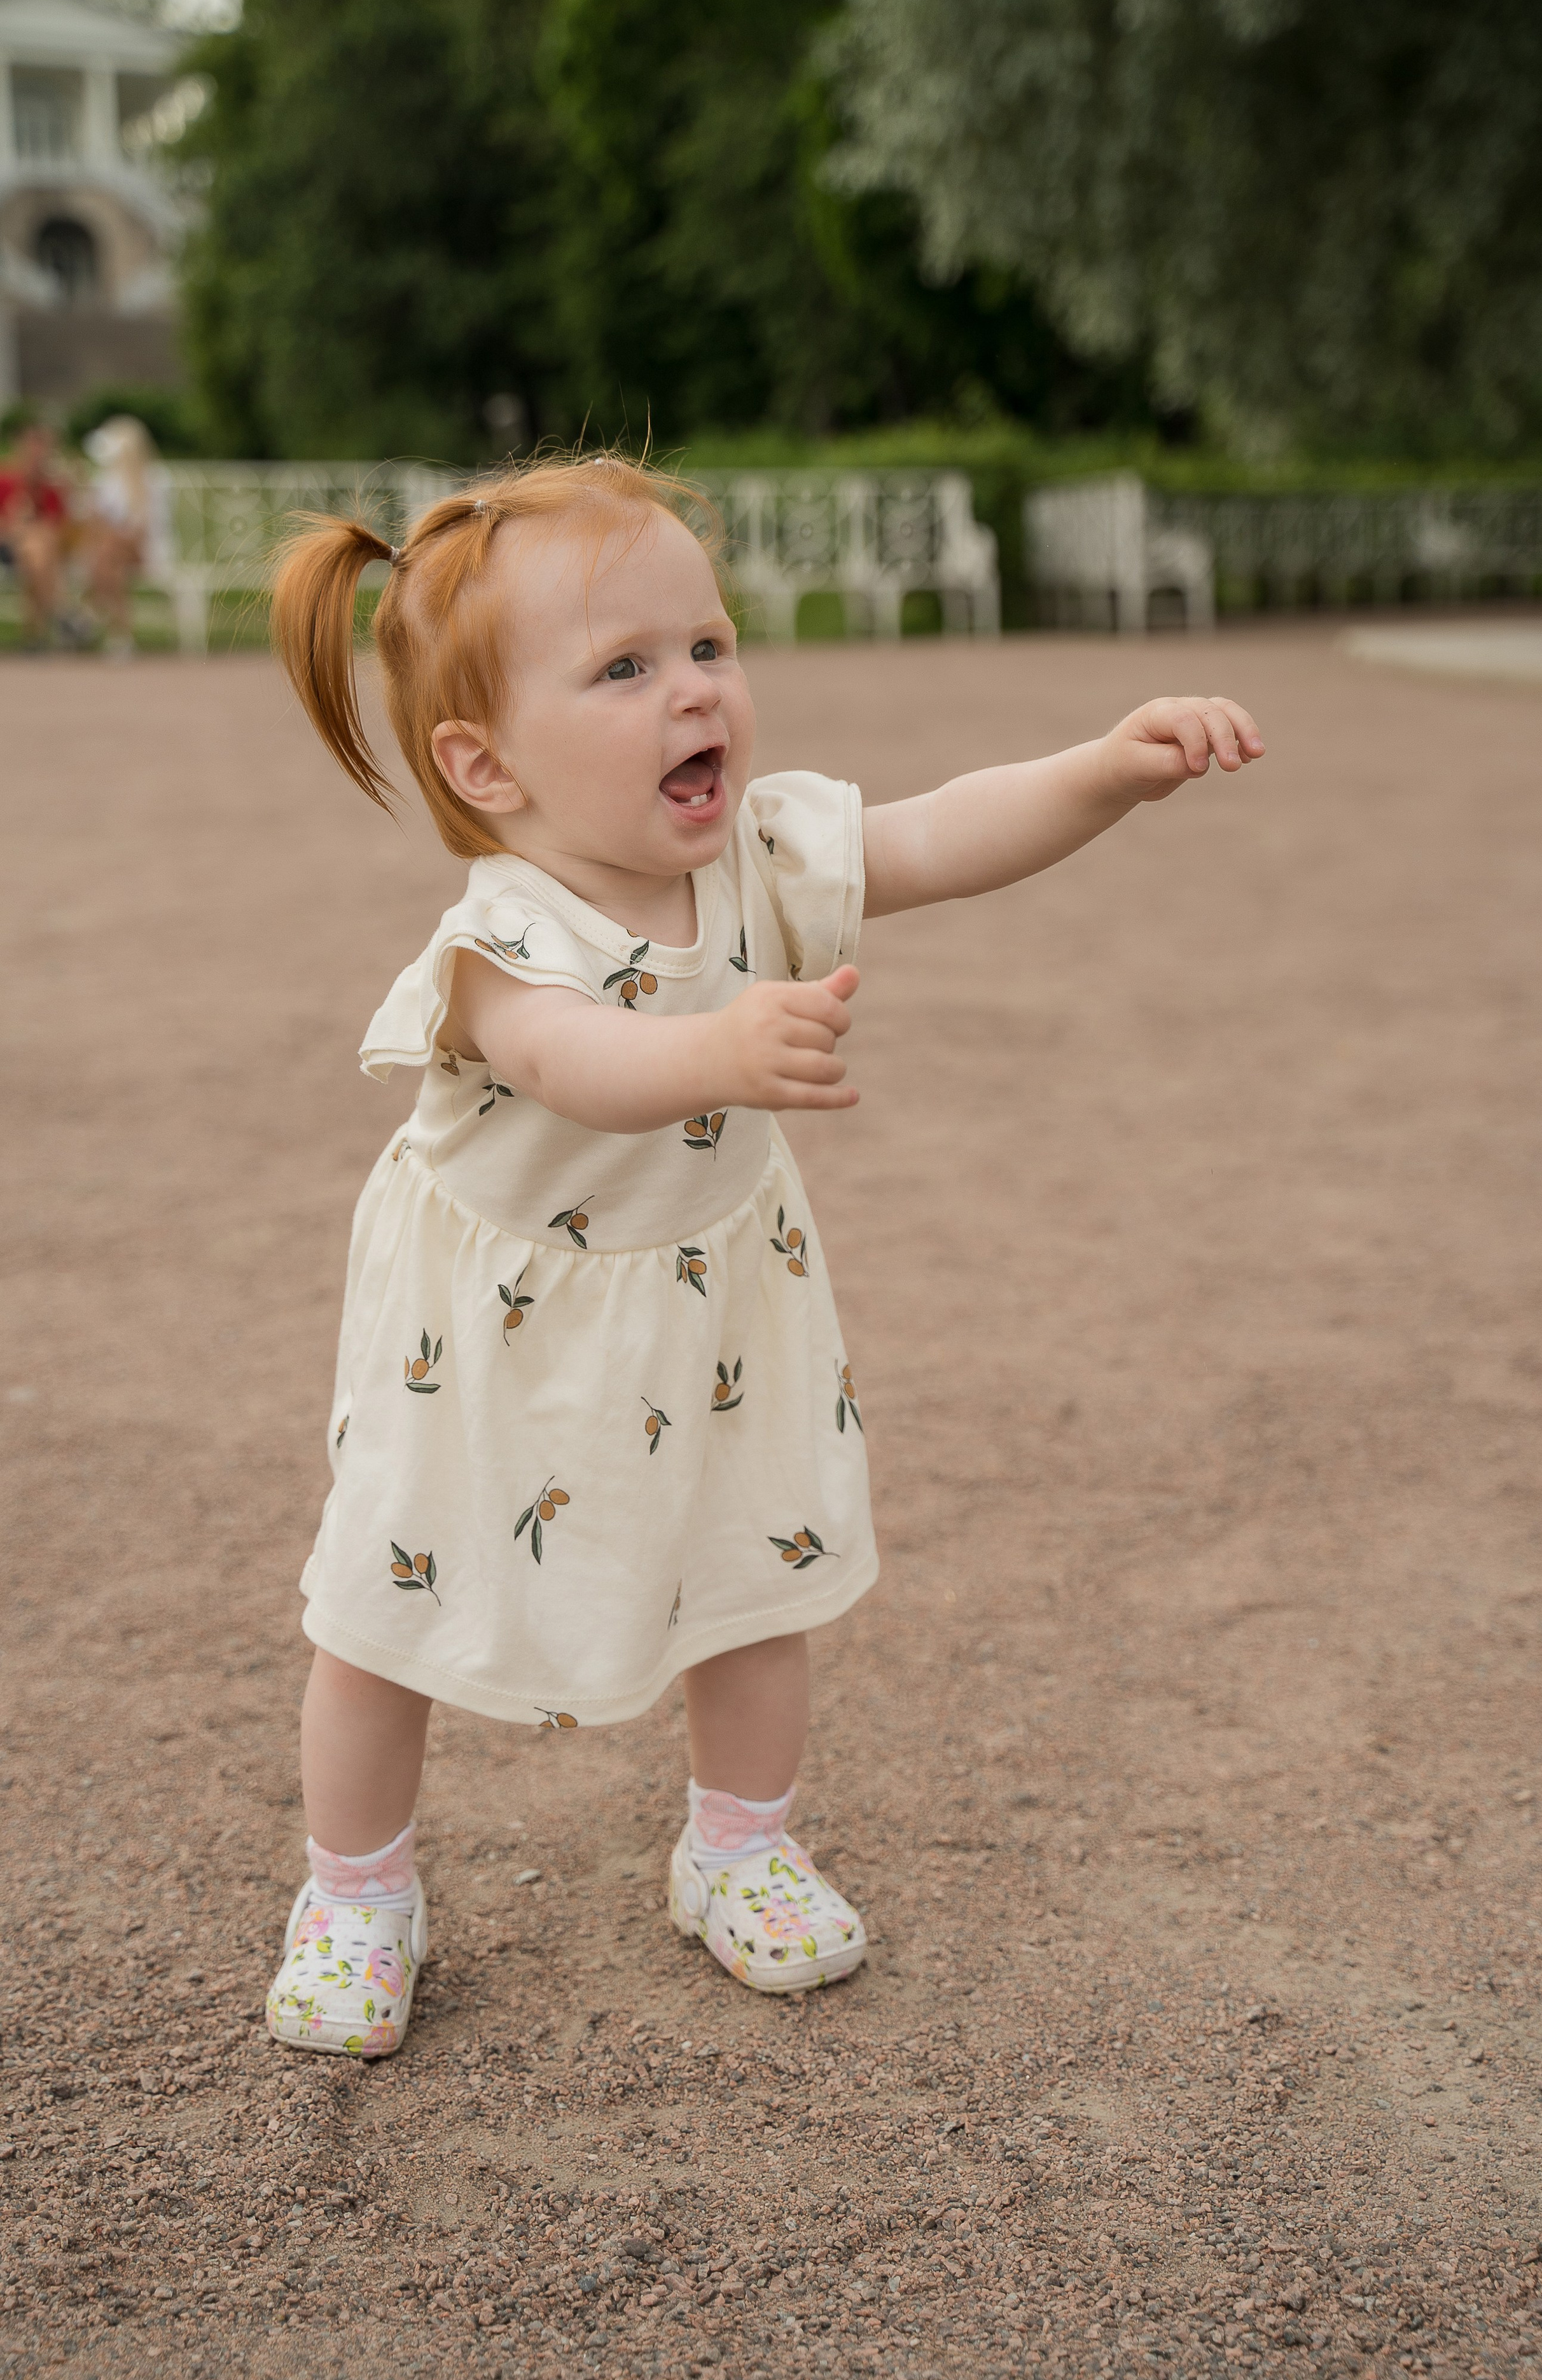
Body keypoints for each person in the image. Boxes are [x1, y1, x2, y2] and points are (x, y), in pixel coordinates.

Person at [261, 450, 1265, 2056]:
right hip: (490, 1327)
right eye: (624, 668)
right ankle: (356, 1884)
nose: (693, 691)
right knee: (390, 1589)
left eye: (708, 646)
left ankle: (740, 1843)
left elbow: (941, 831)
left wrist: (1103, 770)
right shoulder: (494, 942)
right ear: (487, 762)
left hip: (713, 1297)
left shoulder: (764, 858)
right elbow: (580, 1062)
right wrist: (716, 1051)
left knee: (752, 1559)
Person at [80, 413, 156, 656]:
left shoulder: (154, 479)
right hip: (112, 554)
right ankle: (120, 635)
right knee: (110, 560)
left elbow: (144, 532)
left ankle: (90, 613)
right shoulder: (106, 480)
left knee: (107, 551)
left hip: (144, 551)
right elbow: (93, 525)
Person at [0, 416, 71, 647]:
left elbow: (60, 529)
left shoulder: (52, 487)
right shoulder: (6, 481)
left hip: (39, 554)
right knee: (37, 547)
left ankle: (36, 636)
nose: (37, 455)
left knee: (37, 558)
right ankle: (62, 613)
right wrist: (15, 521)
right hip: (7, 548)